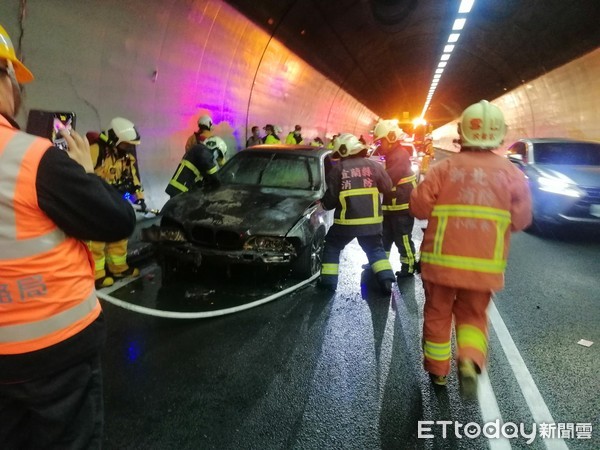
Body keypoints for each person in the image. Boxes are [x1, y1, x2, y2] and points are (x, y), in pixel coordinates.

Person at [0, 24, 136, 449]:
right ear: (4, 75)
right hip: (52, 354)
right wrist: (83, 173)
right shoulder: (31, 158)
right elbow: (116, 219)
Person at [409, 100, 532, 397]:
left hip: (440, 262)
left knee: (438, 313)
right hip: (484, 266)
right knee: (473, 316)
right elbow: (521, 220)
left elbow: (418, 208)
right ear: (499, 136)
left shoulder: (444, 168)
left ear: (462, 134)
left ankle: (438, 372)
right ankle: (470, 359)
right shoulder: (512, 174)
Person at [319, 133, 396, 294]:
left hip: (346, 224)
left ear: (343, 151)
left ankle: (328, 283)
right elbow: (388, 187)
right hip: (372, 223)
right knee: (375, 248)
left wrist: (323, 204)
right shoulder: (374, 166)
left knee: (332, 246)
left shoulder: (338, 169)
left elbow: (331, 200)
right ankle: (386, 281)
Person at [88, 117, 144, 289]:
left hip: (117, 201)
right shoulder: (96, 151)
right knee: (96, 239)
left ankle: (118, 267)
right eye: (126, 144)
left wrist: (139, 198)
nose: (128, 148)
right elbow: (82, 175)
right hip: (97, 202)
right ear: (115, 139)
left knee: (119, 233)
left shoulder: (126, 158)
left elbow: (133, 179)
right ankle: (96, 275)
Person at [373, 119, 419, 278]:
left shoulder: (399, 155)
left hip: (401, 208)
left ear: (391, 138)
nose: (380, 145)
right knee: (385, 236)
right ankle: (381, 264)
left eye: (381, 141)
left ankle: (409, 266)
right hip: (392, 207)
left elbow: (388, 180)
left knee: (403, 238)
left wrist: (373, 183)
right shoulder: (394, 155)